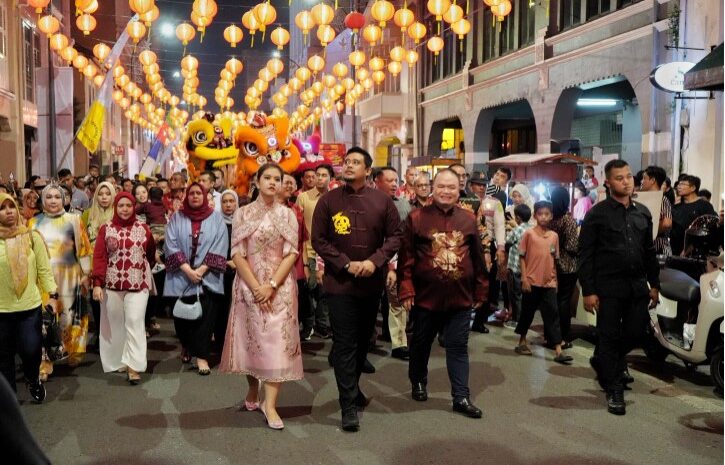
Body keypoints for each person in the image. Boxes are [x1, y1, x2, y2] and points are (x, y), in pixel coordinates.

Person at [312, 147, 402, 432]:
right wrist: (345, 264)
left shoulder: (383, 202)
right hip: (340, 284)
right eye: (346, 161)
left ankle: (353, 389)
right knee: (345, 344)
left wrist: (375, 262)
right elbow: (319, 240)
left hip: (371, 283)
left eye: (355, 162)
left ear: (367, 170)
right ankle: (347, 405)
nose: (349, 165)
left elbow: (396, 237)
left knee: (364, 342)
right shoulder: (328, 201)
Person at [398, 169, 487, 419]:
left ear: (459, 189)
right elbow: (406, 258)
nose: (446, 191)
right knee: (421, 343)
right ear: (431, 188)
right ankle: (418, 380)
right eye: (441, 187)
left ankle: (461, 396)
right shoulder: (416, 218)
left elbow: (478, 258)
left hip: (460, 298)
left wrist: (482, 289)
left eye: (451, 187)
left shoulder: (468, 219)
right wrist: (406, 288)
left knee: (458, 346)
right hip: (426, 298)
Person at [220, 164, 303, 430]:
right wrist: (257, 287)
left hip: (280, 289)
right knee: (252, 344)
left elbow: (292, 253)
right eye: (266, 177)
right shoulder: (243, 213)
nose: (272, 182)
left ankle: (271, 405)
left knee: (277, 346)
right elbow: (237, 253)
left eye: (276, 179)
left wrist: (271, 285)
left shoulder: (288, 215)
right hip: (248, 287)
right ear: (256, 180)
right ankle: (253, 390)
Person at [579, 159, 660, 416]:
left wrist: (654, 284)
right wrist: (589, 290)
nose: (626, 181)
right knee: (610, 335)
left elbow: (649, 252)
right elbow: (585, 255)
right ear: (608, 182)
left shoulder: (643, 213)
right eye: (619, 178)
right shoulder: (597, 214)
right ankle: (614, 389)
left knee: (637, 333)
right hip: (608, 288)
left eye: (628, 176)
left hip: (637, 288)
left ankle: (604, 357)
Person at [29, 185, 92, 381]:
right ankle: (44, 363)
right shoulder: (33, 223)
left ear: (64, 199)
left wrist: (86, 274)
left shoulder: (74, 220)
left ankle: (70, 351)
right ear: (43, 200)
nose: (54, 201)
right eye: (49, 197)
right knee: (44, 322)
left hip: (70, 277)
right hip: (43, 280)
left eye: (58, 197)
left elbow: (83, 249)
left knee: (70, 319)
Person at [91, 192, 155, 385]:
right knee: (115, 324)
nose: (125, 209)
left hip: (138, 284)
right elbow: (100, 257)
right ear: (115, 207)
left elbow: (150, 254)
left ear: (134, 207)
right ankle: (119, 360)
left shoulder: (144, 229)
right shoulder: (106, 229)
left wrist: (139, 269)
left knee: (135, 321)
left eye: (128, 205)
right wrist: (97, 283)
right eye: (121, 206)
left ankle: (134, 365)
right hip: (112, 285)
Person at [164, 183, 228, 375]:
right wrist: (187, 270)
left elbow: (220, 244)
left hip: (207, 277)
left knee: (205, 319)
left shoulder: (216, 219)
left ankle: (202, 356)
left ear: (205, 196)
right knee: (182, 317)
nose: (194, 196)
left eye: (198, 193)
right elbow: (170, 244)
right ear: (186, 196)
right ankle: (186, 345)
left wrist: (200, 270)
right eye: (191, 193)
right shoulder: (177, 218)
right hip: (182, 276)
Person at [0, 193, 57, 402]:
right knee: (3, 357)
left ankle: (33, 378)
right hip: (1, 310)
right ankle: (10, 399)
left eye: (11, 207)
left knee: (31, 349)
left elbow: (44, 269)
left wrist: (52, 296)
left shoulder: (32, 237)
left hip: (29, 306)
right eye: (2, 208)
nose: (8, 211)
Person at [514, 201, 572, 364]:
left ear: (551, 216)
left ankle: (558, 351)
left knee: (553, 315)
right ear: (535, 216)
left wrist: (555, 281)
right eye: (540, 214)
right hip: (531, 282)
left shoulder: (554, 236)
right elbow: (522, 257)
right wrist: (524, 278)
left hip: (549, 283)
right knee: (527, 313)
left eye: (547, 214)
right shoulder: (529, 234)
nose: (544, 217)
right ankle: (522, 341)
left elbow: (554, 260)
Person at [374, 167, 411, 361]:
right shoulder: (367, 202)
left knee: (396, 302)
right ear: (377, 182)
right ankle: (367, 341)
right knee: (369, 304)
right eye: (389, 180)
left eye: (396, 180)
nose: (394, 184)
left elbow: (403, 237)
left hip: (394, 261)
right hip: (370, 261)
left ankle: (399, 343)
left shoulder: (404, 205)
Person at [296, 164, 333, 339]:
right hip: (310, 250)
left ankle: (322, 325)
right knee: (309, 289)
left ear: (330, 179)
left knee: (325, 291)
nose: (319, 178)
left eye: (324, 175)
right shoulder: (303, 198)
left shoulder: (336, 197)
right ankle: (309, 324)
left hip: (330, 252)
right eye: (317, 174)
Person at [82, 181, 116, 335]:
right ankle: (100, 334)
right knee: (96, 300)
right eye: (100, 194)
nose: (104, 197)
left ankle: (112, 333)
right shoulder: (87, 214)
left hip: (114, 263)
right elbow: (82, 241)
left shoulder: (118, 213)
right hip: (92, 263)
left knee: (112, 300)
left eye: (108, 194)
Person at [549, 187, 579, 348]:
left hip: (552, 264)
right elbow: (573, 246)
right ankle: (562, 336)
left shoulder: (550, 218)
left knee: (553, 300)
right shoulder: (568, 220)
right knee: (564, 301)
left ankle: (551, 334)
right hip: (568, 266)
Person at [216, 188, 239, 350]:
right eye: (225, 201)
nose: (228, 205)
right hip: (219, 270)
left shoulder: (242, 222)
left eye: (231, 201)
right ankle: (221, 342)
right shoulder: (216, 223)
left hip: (240, 270)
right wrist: (226, 262)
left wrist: (238, 262)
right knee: (222, 307)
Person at [671, 174, 716, 256]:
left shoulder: (704, 205)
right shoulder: (675, 207)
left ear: (693, 188)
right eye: (679, 184)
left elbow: (710, 229)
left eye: (683, 184)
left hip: (696, 253)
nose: (679, 187)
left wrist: (689, 247)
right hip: (675, 252)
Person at [504, 204, 533, 330]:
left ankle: (516, 321)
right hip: (527, 268)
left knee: (515, 296)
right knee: (524, 296)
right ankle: (522, 319)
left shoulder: (517, 230)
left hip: (515, 267)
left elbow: (507, 241)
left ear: (518, 218)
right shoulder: (532, 229)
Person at [641, 166, 672, 256]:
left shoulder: (662, 199)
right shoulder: (643, 198)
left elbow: (667, 223)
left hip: (659, 248)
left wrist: (649, 232)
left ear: (653, 180)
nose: (641, 181)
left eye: (644, 178)